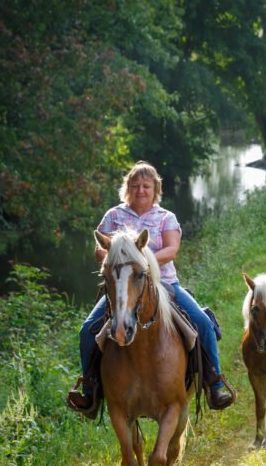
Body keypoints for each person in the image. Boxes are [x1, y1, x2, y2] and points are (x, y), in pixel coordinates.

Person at [67, 161, 235, 413]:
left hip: (163, 283)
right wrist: (118, 264)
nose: (140, 190)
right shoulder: (113, 216)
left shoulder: (166, 217)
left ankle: (214, 383)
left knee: (202, 323)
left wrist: (142, 263)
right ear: (127, 188)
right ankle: (90, 391)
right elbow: (99, 250)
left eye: (146, 186)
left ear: (155, 189)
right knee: (87, 330)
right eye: (135, 186)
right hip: (122, 287)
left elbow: (171, 249)